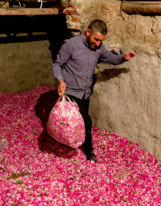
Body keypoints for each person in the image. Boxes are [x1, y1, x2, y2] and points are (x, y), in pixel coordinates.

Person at [52, 19, 137, 162]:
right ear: (88, 32)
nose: (98, 44)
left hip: (86, 91)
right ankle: (89, 150)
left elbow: (110, 58)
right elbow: (57, 64)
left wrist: (123, 58)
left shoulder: (99, 47)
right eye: (96, 39)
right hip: (71, 90)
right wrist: (60, 80)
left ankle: (70, 140)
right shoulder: (71, 45)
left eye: (101, 41)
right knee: (86, 121)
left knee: (76, 120)